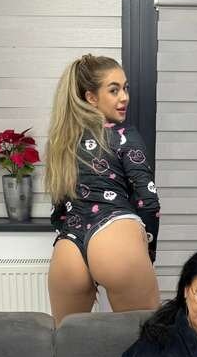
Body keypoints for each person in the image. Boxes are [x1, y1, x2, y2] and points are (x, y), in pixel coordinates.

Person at [44, 53, 161, 325]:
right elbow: (148, 201)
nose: (125, 97)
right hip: (115, 234)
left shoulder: (62, 143)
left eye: (125, 88)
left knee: (70, 344)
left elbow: (58, 208)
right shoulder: (124, 135)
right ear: (91, 97)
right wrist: (146, 252)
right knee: (148, 340)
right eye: (114, 90)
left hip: (68, 249)